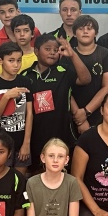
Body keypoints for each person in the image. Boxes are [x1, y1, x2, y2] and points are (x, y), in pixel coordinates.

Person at [21, 33, 91, 170]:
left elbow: (85, 79)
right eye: (47, 49)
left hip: (63, 134)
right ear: (36, 51)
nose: (52, 53)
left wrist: (72, 55)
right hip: (35, 137)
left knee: (64, 174)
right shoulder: (25, 76)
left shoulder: (63, 71)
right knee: (38, 174)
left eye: (55, 50)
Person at [0, 41, 33, 174]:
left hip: (21, 141)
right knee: (1, 179)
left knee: (19, 180)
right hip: (0, 144)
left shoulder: (25, 81)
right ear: (0, 61)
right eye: (11, 60)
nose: (16, 65)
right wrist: (6, 97)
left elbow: (29, 113)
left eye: (19, 60)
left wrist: (26, 143)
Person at [69, 15, 108, 134]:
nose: (85, 31)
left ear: (96, 33)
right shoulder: (68, 55)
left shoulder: (105, 54)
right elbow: (65, 89)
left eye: (89, 28)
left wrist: (86, 111)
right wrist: (79, 117)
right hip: (74, 115)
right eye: (81, 29)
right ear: (74, 33)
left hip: (99, 113)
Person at [0, 0, 41, 65]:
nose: (7, 15)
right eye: (2, 12)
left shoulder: (34, 31)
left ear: (18, 11)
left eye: (11, 11)